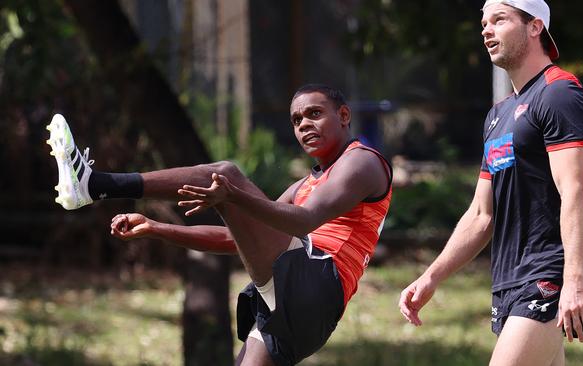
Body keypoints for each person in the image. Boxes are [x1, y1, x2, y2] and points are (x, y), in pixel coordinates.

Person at [46, 84, 393, 366]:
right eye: (296, 120)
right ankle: (92, 185)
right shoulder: (305, 185)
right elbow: (234, 238)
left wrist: (233, 196)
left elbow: (305, 220)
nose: (304, 125)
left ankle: (96, 184)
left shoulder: (360, 162)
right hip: (299, 307)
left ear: (344, 115)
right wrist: (156, 227)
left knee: (225, 173)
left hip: (316, 284)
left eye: (314, 114)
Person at [398, 0, 583, 365]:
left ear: (535, 27)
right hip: (507, 279)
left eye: (500, 20)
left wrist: (574, 279)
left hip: (547, 274)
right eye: (484, 23)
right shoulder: (498, 115)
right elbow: (480, 214)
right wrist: (430, 278)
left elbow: (575, 189)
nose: (486, 30)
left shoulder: (560, 94)